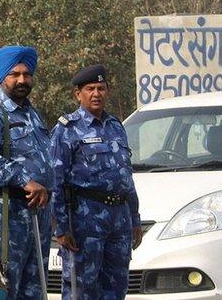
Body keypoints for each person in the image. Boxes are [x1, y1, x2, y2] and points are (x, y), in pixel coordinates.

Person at [0, 45, 54, 300]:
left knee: (36, 287)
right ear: (1, 76)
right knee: (6, 287)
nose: (21, 80)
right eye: (14, 74)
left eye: (27, 75)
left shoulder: (32, 114)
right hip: (8, 212)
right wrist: (25, 181)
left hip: (38, 213)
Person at [50, 64, 142, 300]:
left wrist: (134, 219)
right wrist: (61, 227)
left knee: (117, 285)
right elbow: (56, 182)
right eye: (90, 89)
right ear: (78, 94)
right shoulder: (67, 130)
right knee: (82, 287)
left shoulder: (115, 126)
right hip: (85, 219)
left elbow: (125, 177)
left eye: (101, 88)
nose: (96, 94)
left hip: (119, 218)